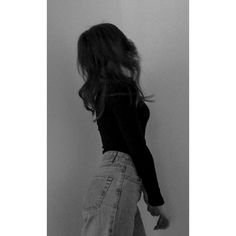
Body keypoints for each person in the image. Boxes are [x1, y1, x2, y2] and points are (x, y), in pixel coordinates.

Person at [77, 22, 169, 236]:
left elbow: (122, 145)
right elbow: (135, 145)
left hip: (113, 180)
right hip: (117, 180)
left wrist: (146, 189)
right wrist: (154, 197)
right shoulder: (119, 88)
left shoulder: (105, 90)